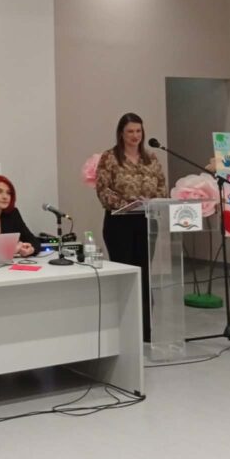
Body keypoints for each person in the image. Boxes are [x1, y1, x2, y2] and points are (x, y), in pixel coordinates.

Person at [95, 112, 168, 343]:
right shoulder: (109, 157)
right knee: (125, 274)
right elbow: (103, 189)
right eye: (130, 131)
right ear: (121, 134)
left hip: (146, 221)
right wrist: (126, 203)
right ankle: (123, 330)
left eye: (138, 131)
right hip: (120, 222)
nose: (135, 136)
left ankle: (145, 330)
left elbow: (162, 186)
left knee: (143, 273)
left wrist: (152, 201)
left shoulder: (151, 157)